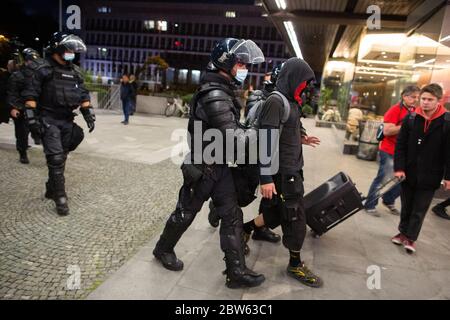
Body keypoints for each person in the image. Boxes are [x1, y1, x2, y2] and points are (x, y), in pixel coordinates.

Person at [152, 38, 266, 289]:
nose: (245, 68)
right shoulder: (215, 94)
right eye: (241, 64)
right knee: (185, 214)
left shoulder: (223, 91)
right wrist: (259, 128)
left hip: (220, 167)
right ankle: (162, 249)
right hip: (202, 169)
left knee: (233, 216)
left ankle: (235, 272)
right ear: (226, 64)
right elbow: (234, 138)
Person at [245, 57, 323, 287]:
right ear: (294, 78)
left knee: (280, 212)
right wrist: (266, 178)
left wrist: (302, 138)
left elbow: (289, 126)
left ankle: (245, 228)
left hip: (292, 168)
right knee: (295, 216)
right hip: (282, 171)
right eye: (304, 82)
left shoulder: (292, 101)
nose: (306, 87)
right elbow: (266, 141)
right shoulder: (276, 101)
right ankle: (295, 265)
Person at [22, 32, 96, 216]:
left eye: (73, 50)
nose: (72, 53)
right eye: (69, 49)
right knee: (55, 158)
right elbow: (30, 96)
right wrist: (32, 121)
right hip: (48, 119)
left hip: (67, 120)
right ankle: (60, 197)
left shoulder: (76, 72)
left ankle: (50, 186)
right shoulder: (42, 69)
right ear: (59, 49)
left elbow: (84, 95)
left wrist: (88, 115)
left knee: (60, 157)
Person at [392, 83, 450, 253]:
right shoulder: (411, 118)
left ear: (439, 101)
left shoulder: (447, 122)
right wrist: (399, 168)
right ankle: (402, 233)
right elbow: (400, 145)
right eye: (423, 99)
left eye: (429, 100)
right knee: (406, 206)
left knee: (419, 209)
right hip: (409, 172)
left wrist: (448, 177)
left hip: (431, 175)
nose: (425, 102)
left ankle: (411, 238)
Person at [364, 86, 420, 216]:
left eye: (417, 97)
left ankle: (389, 200)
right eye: (413, 97)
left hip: (406, 153)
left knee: (404, 179)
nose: (416, 100)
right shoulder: (395, 110)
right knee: (383, 178)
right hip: (390, 150)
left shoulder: (415, 110)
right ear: (404, 96)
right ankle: (370, 204)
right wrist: (406, 126)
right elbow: (387, 131)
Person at [7, 48, 43, 164]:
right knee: (21, 132)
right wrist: (14, 107)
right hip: (21, 108)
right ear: (26, 62)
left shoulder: (39, 76)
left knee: (38, 127)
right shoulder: (17, 76)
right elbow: (12, 93)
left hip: (35, 108)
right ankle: (22, 153)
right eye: (32, 62)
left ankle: (36, 137)